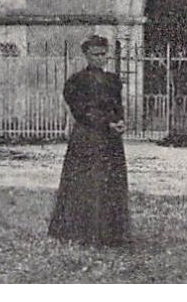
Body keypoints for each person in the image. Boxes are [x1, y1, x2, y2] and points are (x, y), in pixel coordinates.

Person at [48, 34, 130, 246]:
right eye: (95, 55)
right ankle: (81, 231)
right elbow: (80, 110)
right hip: (88, 137)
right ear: (86, 55)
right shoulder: (76, 82)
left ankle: (111, 234)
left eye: (104, 54)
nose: (100, 59)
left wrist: (120, 121)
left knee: (110, 182)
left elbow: (117, 106)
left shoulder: (113, 81)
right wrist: (105, 123)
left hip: (111, 140)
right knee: (87, 184)